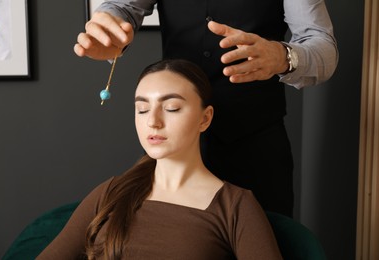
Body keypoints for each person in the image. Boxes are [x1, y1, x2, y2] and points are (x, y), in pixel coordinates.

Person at [74, 0, 339, 217]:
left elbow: (323, 45)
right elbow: (123, 8)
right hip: (177, 147)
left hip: (257, 145)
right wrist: (108, 25)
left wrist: (283, 56)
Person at [37, 59, 282, 259]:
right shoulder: (111, 192)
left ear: (205, 118)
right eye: (142, 109)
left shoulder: (235, 206)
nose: (152, 121)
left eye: (172, 107)